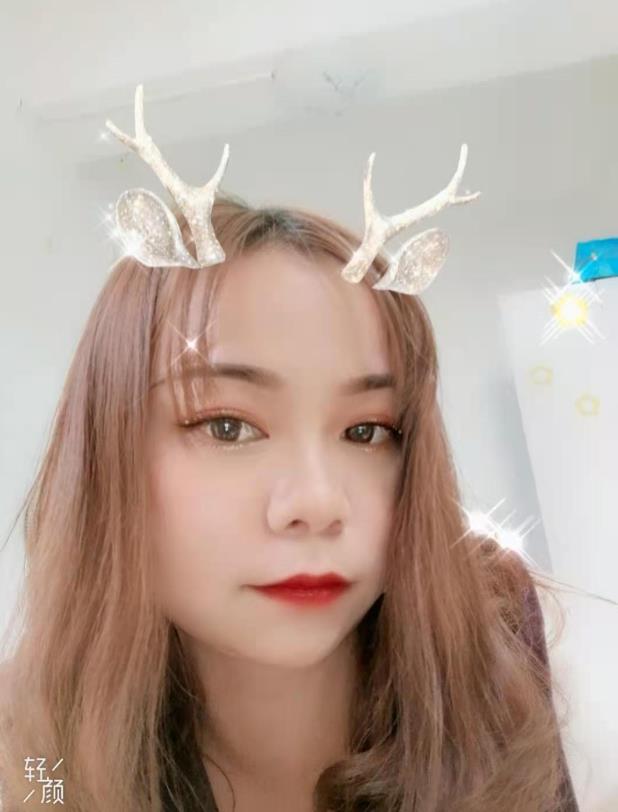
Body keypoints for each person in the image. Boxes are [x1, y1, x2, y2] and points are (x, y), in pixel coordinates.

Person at [0, 196, 579, 811]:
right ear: (106, 452)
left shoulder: (510, 643)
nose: (317, 502)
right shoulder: (34, 750)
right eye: (227, 427)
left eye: (366, 431)